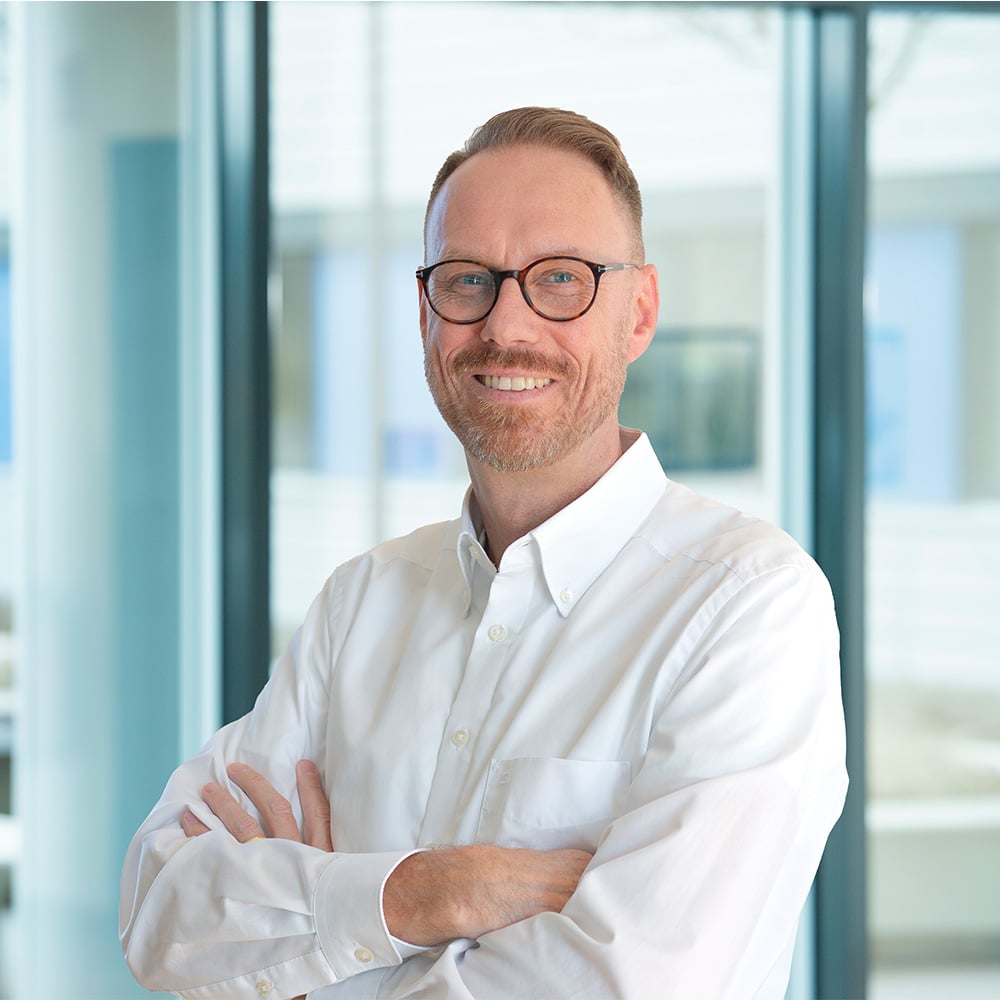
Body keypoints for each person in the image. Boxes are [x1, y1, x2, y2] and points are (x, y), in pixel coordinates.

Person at [120, 107, 847, 999]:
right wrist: (427, 893)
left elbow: (636, 985)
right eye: (467, 280)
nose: (507, 325)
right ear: (426, 311)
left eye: (561, 279)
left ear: (639, 312)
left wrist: (309, 943)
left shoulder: (748, 605)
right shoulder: (362, 601)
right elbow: (159, 910)